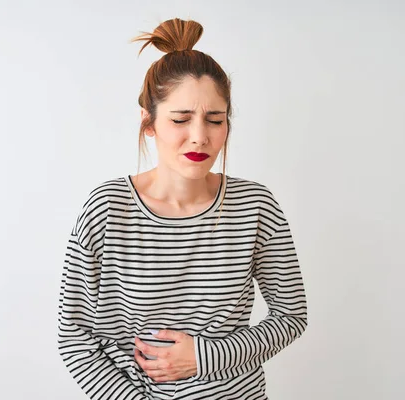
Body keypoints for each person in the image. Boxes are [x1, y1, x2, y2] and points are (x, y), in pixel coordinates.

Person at [57, 18, 308, 400]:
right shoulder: (107, 209)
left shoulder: (255, 205)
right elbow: (75, 339)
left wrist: (204, 357)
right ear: (149, 123)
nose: (200, 136)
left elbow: (290, 317)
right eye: (180, 119)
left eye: (215, 120)